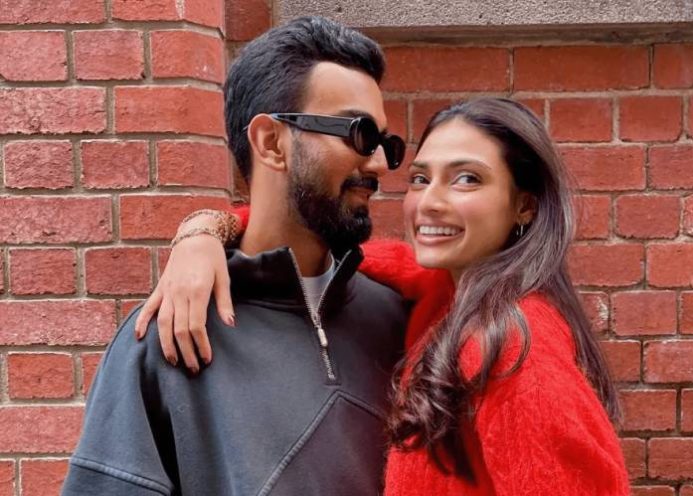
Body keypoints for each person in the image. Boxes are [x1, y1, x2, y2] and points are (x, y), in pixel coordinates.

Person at [142, 98, 630, 495]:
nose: (430, 202)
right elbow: (325, 249)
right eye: (421, 178)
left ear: (524, 205)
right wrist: (204, 233)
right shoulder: (446, 288)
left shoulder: (511, 345)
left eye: (467, 179)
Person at [61, 16, 410, 495]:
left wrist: (203, 228)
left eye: (386, 144)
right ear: (271, 142)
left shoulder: (402, 322)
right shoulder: (169, 334)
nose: (379, 164)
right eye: (359, 134)